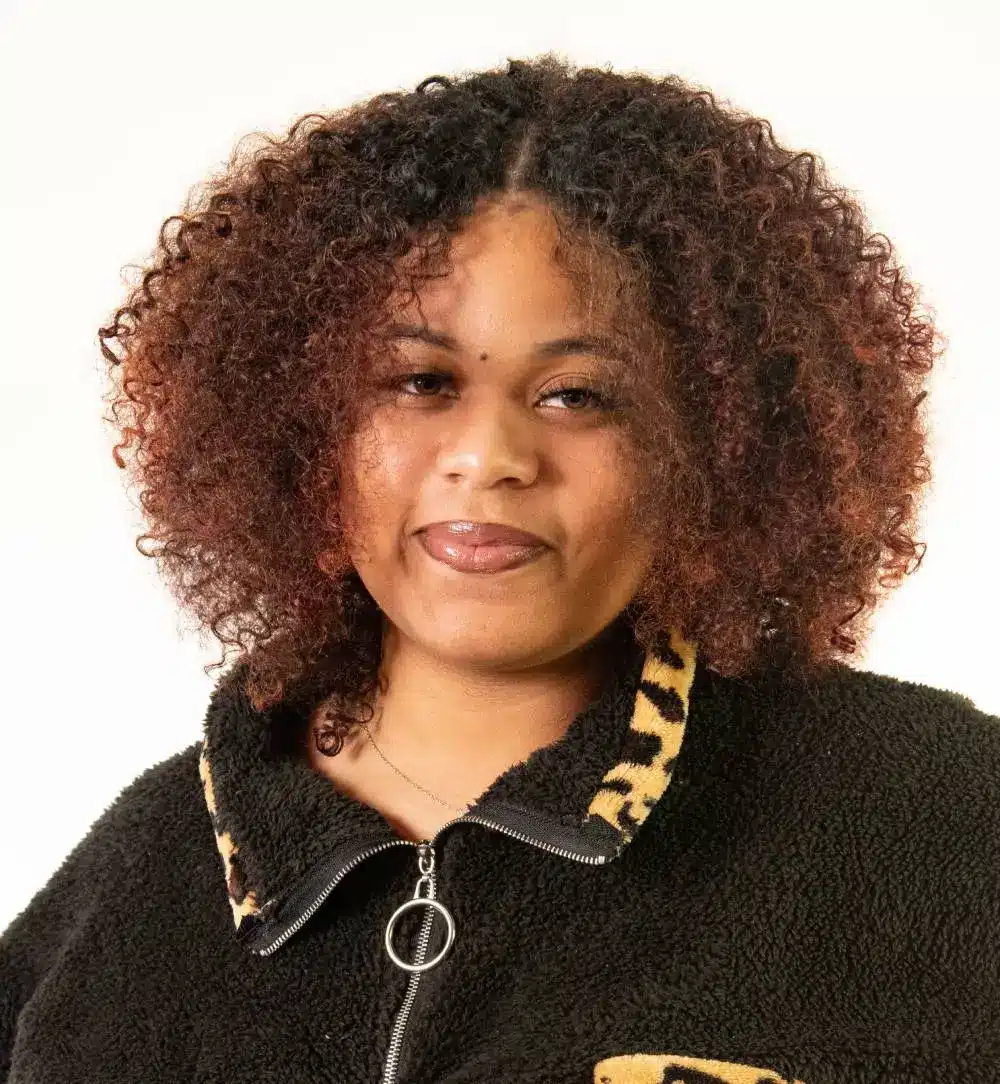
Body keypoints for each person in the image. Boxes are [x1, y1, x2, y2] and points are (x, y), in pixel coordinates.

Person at [2, 53, 997, 1084]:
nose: (489, 455)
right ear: (299, 430)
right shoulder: (130, 894)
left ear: (715, 446)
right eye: (420, 380)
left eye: (577, 394)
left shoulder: (941, 818)